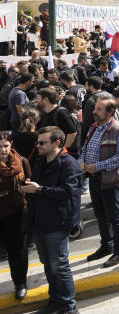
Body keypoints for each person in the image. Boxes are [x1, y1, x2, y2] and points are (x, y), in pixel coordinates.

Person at [24, 126, 82, 314]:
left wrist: (39, 189)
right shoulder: (40, 162)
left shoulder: (68, 163)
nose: (38, 145)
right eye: (38, 142)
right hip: (40, 221)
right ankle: (56, 301)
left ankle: (68, 307)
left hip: (57, 222)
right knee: (48, 264)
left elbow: (68, 193)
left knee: (59, 265)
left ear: (56, 143)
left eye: (43, 142)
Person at [81, 96, 119, 268]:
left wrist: (97, 166)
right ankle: (107, 245)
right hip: (94, 179)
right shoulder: (93, 127)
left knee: (115, 217)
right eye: (95, 108)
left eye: (99, 109)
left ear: (110, 112)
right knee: (101, 215)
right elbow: (85, 147)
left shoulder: (118, 130)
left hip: (109, 180)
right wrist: (82, 161)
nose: (94, 112)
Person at [0, 132, 31, 300]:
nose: (3, 150)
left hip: (17, 213)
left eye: (5, 145)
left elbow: (29, 183)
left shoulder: (22, 161)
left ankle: (20, 283)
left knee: (17, 250)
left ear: (11, 145)